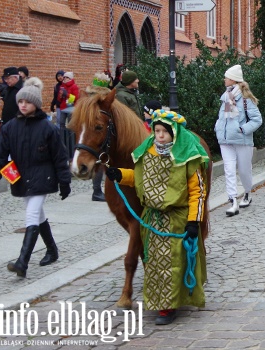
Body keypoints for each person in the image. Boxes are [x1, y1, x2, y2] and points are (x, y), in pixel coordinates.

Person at [105, 109, 208, 325]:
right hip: (152, 221)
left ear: (174, 133)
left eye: (164, 132)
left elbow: (197, 191)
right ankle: (160, 302)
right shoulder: (147, 153)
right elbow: (139, 178)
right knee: (154, 263)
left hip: (176, 220)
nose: (160, 135)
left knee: (173, 263)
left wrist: (193, 221)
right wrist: (121, 175)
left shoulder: (187, 157)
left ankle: (169, 307)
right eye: (157, 130)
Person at [0, 77, 71, 277]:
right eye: (21, 101)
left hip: (43, 177)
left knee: (32, 214)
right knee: (38, 214)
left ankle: (22, 262)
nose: (23, 105)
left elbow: (60, 157)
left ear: (37, 104)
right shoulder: (10, 128)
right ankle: (52, 250)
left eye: (28, 102)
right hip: (22, 179)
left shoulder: (48, 128)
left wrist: (64, 182)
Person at [215, 64, 262, 216]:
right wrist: (218, 127)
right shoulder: (226, 97)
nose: (224, 79)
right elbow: (225, 117)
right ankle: (233, 201)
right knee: (229, 170)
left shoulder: (246, 99)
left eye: (227, 77)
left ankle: (247, 193)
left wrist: (242, 130)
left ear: (233, 80)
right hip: (226, 140)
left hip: (242, 140)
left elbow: (257, 119)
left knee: (244, 170)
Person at [84, 72, 113, 202]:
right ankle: (97, 190)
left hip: (96, 134)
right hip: (95, 135)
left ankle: (98, 190)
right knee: (99, 162)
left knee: (101, 162)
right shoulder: (95, 103)